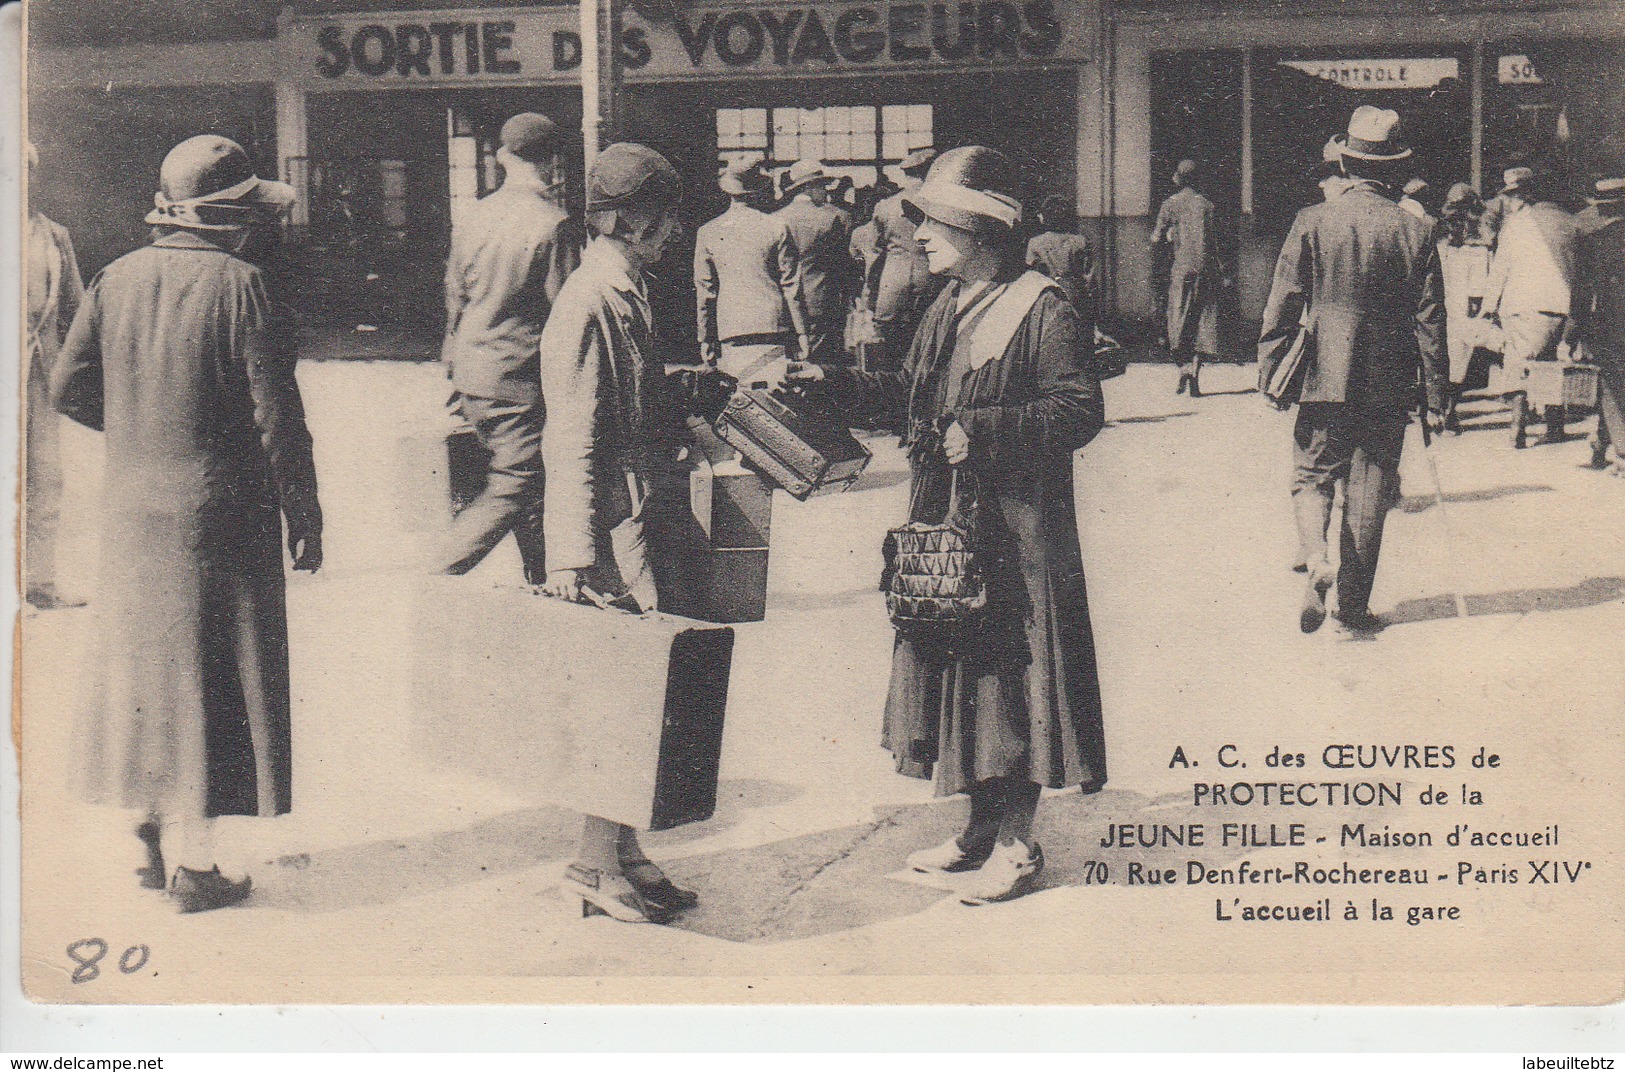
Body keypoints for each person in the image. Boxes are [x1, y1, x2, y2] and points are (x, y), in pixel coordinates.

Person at [787, 146, 1107, 906]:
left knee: (1014, 678)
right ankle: (975, 830)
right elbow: (911, 395)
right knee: (966, 680)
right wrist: (830, 381)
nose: (918, 235)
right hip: (951, 524)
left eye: (933, 222)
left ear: (979, 230)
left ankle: (1017, 844)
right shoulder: (948, 303)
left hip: (1016, 533)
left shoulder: (1041, 305)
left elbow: (1077, 409)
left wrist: (988, 429)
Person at [51, 135, 322, 913]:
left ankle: (145, 822)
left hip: (132, 514)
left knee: (147, 674)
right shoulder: (247, 287)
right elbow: (278, 422)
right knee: (212, 683)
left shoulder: (116, 276)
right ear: (232, 219)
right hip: (220, 515)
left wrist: (143, 427)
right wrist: (305, 517)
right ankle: (197, 868)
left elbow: (66, 387)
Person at [540, 143, 735, 924]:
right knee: (625, 691)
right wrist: (570, 554)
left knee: (646, 683)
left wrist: (682, 392)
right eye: (665, 218)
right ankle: (590, 864)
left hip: (637, 506)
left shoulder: (626, 287)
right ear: (634, 221)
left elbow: (631, 394)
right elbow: (573, 433)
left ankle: (621, 849)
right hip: (609, 525)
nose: (675, 231)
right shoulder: (590, 299)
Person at [1257, 106, 1446, 637]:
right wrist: (1436, 394)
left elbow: (1283, 303)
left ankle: (1316, 554)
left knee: (1312, 472)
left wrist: (1271, 368)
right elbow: (1431, 320)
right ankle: (1354, 607)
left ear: (1345, 163)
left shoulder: (1312, 220)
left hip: (1323, 371)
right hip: (1389, 377)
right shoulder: (1418, 229)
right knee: (1370, 487)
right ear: (1391, 169)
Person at [436, 112, 580, 582]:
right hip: (518, 377)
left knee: (530, 480)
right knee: (519, 480)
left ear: (503, 158)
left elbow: (454, 293)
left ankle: (544, 583)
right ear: (553, 163)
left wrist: (454, 362)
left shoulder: (474, 215)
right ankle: (440, 570)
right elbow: (566, 317)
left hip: (472, 371)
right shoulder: (554, 224)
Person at [24, 141, 87, 611]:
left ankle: (40, 583)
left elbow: (76, 308)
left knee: (47, 478)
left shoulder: (54, 235)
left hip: (42, 374)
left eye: (28, 168)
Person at [1481, 164, 1581, 448]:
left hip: (1522, 306)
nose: (1509, 202)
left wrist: (1488, 307)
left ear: (1525, 196)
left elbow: (1500, 269)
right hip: (1562, 306)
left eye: (1512, 196)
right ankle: (1554, 426)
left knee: (1517, 365)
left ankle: (1518, 428)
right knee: (1549, 363)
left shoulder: (1516, 225)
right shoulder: (1570, 222)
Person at [694, 157, 810, 380]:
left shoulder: (708, 232)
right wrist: (802, 333)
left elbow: (705, 293)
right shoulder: (777, 226)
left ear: (728, 191)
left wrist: (705, 338)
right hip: (773, 325)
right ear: (758, 189)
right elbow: (791, 285)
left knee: (740, 396)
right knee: (774, 392)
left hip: (732, 327)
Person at [869, 148, 946, 373]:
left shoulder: (885, 206)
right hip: (931, 286)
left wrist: (869, 296)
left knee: (891, 359)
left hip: (891, 288)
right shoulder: (940, 204)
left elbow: (875, 254)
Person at [1152, 158, 1224, 397]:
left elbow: (1156, 239)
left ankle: (1183, 368)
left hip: (1181, 269)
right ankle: (1194, 372)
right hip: (1205, 269)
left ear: (1178, 178)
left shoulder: (1170, 204)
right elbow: (1214, 243)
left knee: (1178, 320)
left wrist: (1170, 238)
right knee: (1202, 321)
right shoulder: (1207, 205)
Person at [775, 158, 853, 367]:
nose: (826, 192)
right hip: (823, 304)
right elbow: (845, 267)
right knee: (823, 369)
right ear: (809, 187)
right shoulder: (837, 217)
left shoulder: (774, 219)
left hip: (785, 308)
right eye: (822, 186)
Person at [1574, 174, 1625, 477]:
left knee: (1612, 387)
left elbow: (1580, 294)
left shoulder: (1594, 242)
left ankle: (1621, 452)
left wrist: (1574, 330)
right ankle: (1600, 444)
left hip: (1610, 325)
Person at [1437, 182, 1492, 433]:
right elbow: (1477, 293)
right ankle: (1449, 410)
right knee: (1458, 359)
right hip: (1461, 307)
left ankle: (1439, 410)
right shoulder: (1478, 247)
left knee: (1439, 356)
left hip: (1440, 305)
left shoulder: (1437, 239)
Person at [1025, 194, 1099, 319]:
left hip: (1048, 296)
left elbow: (1031, 275)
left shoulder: (1035, 243)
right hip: (1076, 295)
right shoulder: (1080, 242)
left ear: (1045, 217)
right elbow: (1089, 277)